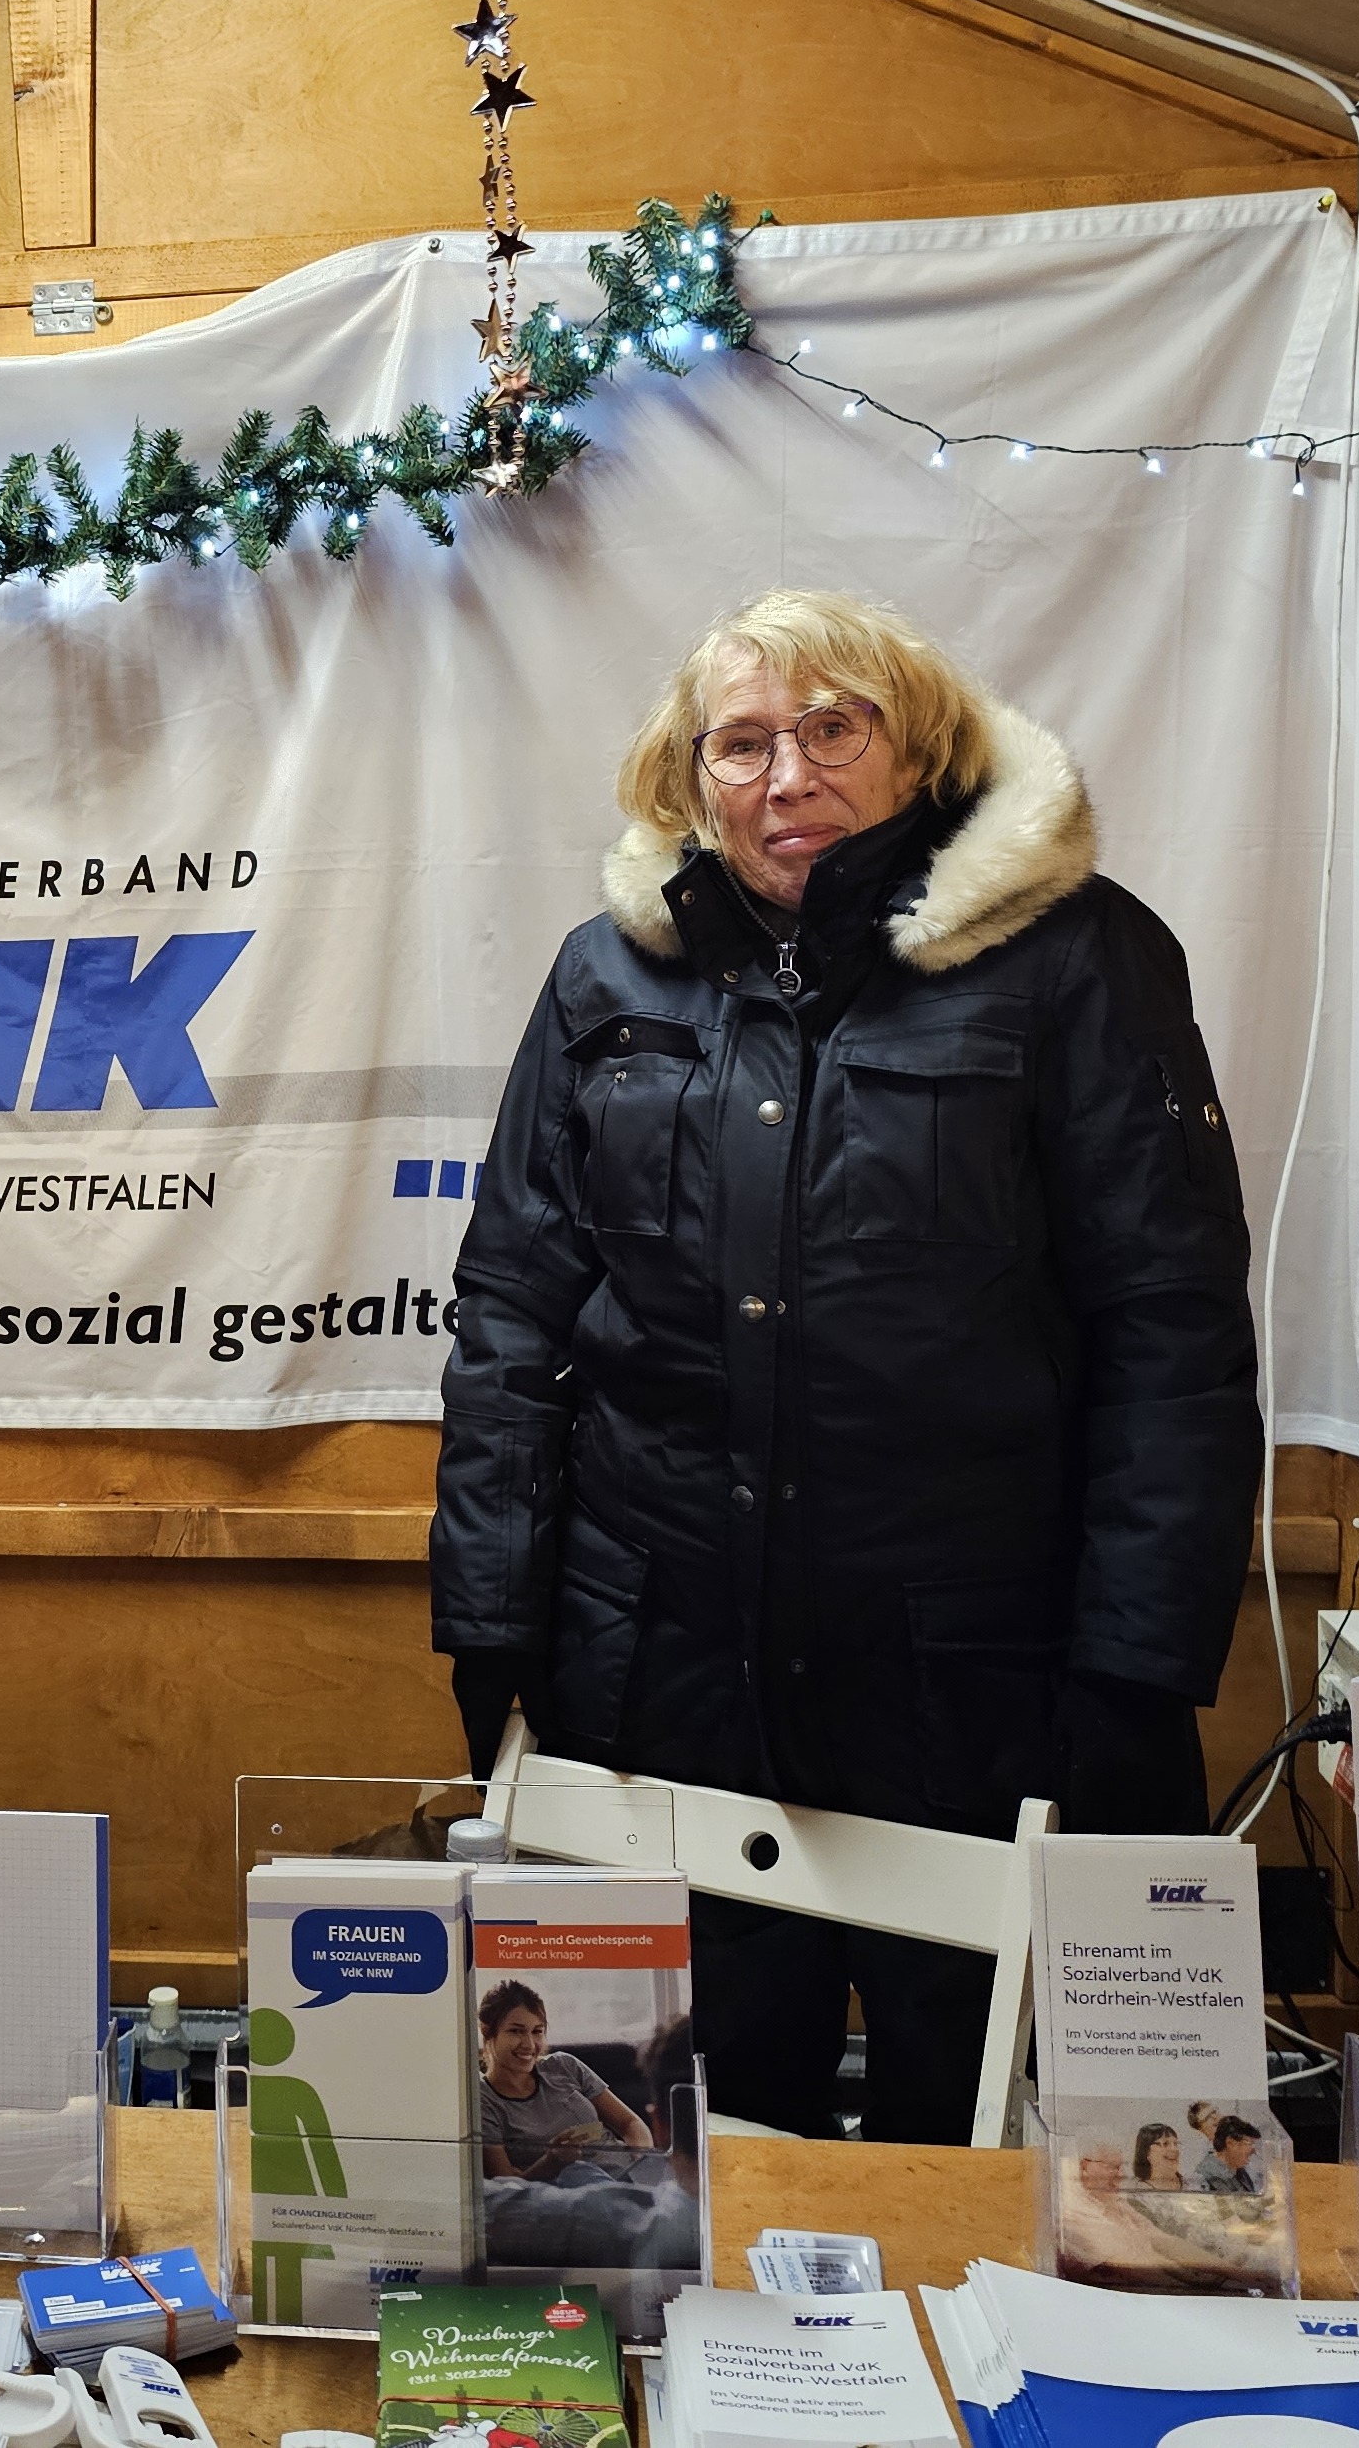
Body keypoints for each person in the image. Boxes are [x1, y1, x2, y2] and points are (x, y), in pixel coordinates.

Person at [427, 587, 1259, 2143]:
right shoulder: (609, 978)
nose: (786, 775)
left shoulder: (1076, 959)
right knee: (675, 2174)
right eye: (740, 741)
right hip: (657, 1688)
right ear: (687, 776)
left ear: (919, 745)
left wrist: (1136, 1674)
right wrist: (489, 1622)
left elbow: (1175, 1330)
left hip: (977, 1695)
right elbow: (514, 1313)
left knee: (993, 2172)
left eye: (833, 728)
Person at [473, 1977, 653, 2181]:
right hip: (573, 2193)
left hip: (630, 2175)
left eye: (537, 2032)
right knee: (577, 2174)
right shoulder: (483, 2099)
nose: (529, 2044)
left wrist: (642, 2162)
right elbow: (506, 2189)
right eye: (516, 2031)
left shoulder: (564, 2066)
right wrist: (552, 2162)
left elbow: (630, 2123)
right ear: (487, 2032)